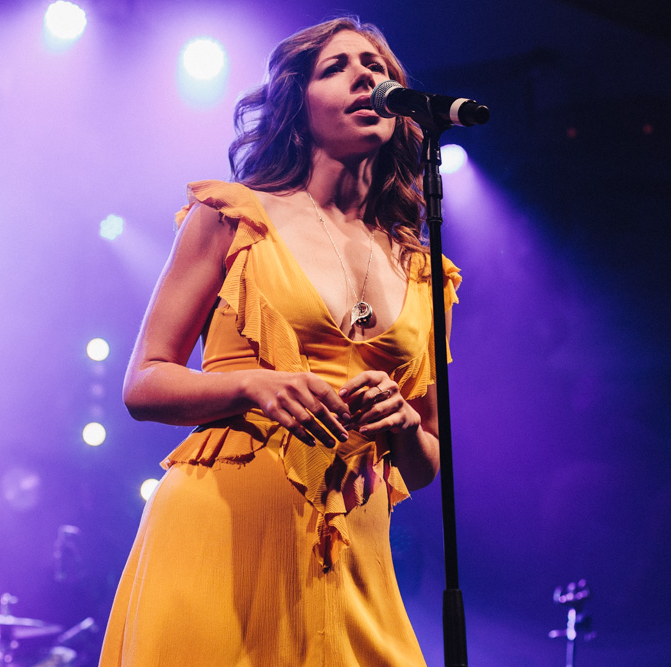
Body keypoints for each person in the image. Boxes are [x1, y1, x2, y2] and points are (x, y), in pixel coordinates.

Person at [100, 16, 461, 666]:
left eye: (377, 68)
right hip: (222, 525)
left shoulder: (422, 268)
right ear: (298, 105)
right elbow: (143, 382)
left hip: (355, 550)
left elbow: (426, 462)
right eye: (339, 67)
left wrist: (404, 421)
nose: (366, 78)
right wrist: (251, 383)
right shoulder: (233, 216)